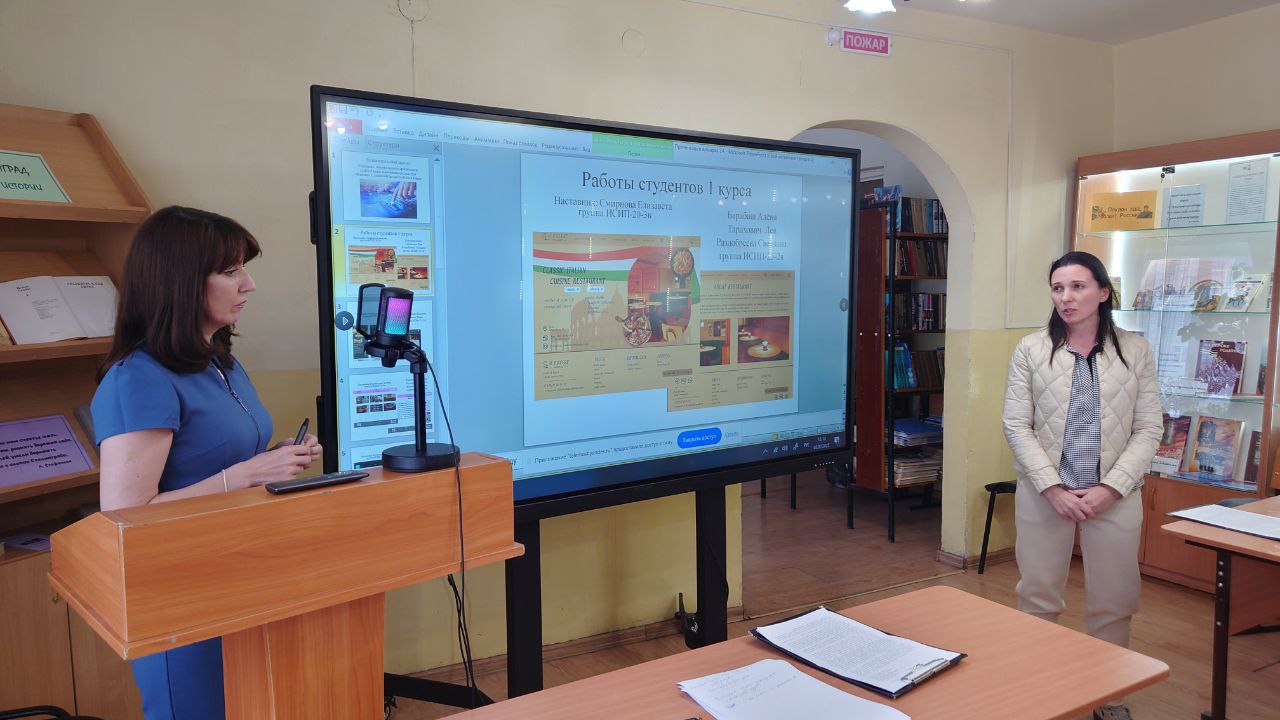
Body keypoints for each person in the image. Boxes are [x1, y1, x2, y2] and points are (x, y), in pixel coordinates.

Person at [91, 206, 321, 720]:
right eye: (231, 271)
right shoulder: (138, 378)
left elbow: (215, 458)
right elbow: (126, 515)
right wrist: (247, 475)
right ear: (181, 281)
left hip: (242, 569)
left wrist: (275, 457)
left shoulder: (220, 362)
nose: (249, 285)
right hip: (181, 588)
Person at [1002, 251, 1161, 720]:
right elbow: (1016, 425)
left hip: (1113, 495)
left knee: (1114, 601)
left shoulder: (1135, 349)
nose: (1066, 297)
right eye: (1058, 288)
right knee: (1037, 595)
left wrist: (1112, 488)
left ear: (1103, 292)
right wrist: (1051, 487)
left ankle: (1109, 698)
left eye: (1077, 286)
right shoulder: (1032, 349)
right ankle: (1039, 692)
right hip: (1045, 494)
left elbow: (1149, 428)